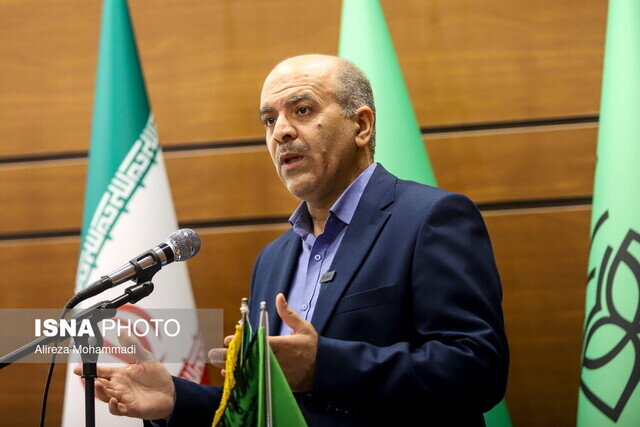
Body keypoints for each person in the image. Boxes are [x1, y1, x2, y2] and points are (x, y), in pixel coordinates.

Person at [74, 54, 509, 426]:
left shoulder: (430, 218)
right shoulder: (273, 259)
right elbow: (268, 407)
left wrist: (323, 366)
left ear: (361, 125)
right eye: (269, 119)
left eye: (302, 110)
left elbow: (478, 370)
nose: (280, 131)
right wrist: (175, 398)